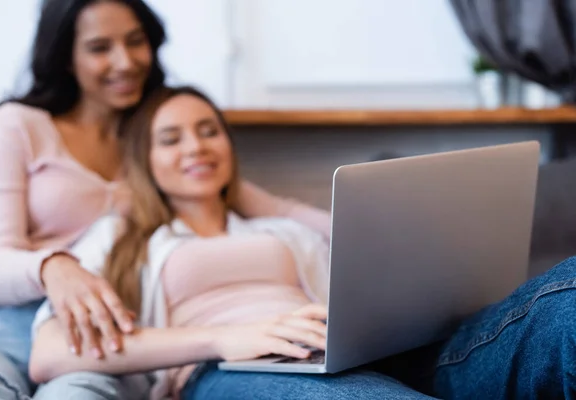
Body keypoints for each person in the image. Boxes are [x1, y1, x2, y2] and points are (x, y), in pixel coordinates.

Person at [31, 85, 576, 400]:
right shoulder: (122, 237)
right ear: (143, 162)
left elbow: (374, 258)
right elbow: (49, 356)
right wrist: (225, 338)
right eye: (170, 139)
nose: (196, 146)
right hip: (226, 370)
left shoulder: (280, 230)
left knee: (564, 306)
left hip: (347, 354)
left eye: (209, 130)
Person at [0, 1, 325, 398]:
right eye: (99, 48)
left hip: (102, 328)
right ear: (66, 57)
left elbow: (275, 209)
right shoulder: (18, 125)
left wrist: (379, 226)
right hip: (10, 323)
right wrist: (54, 268)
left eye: (135, 41)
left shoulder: (160, 132)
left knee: (77, 393)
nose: (124, 62)